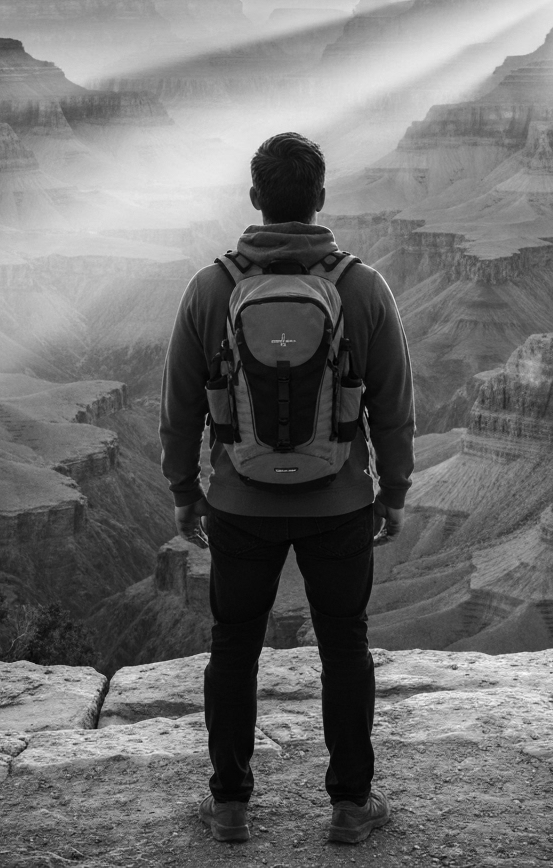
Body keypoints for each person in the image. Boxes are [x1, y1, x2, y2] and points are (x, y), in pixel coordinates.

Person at [159, 131, 415, 844]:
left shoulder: (211, 287)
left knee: (234, 645)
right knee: (345, 646)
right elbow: (393, 403)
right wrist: (393, 492)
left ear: (255, 200)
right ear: (320, 199)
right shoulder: (362, 286)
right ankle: (350, 806)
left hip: (239, 503)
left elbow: (179, 405)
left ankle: (232, 804)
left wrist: (186, 490)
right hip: (339, 502)